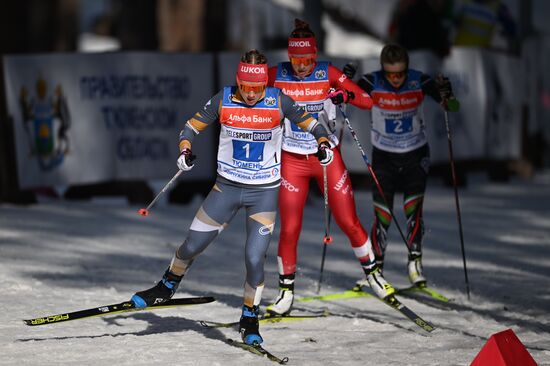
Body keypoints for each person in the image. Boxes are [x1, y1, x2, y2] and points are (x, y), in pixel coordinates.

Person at [130, 49, 333, 346]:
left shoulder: (279, 101)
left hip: (263, 193)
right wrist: (185, 150)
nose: (251, 95)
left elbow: (313, 124)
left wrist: (324, 144)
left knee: (254, 259)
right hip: (225, 189)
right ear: (237, 81)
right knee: (191, 245)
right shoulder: (224, 99)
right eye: (245, 88)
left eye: (257, 88)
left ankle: (250, 315)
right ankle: (166, 286)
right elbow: (190, 127)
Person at [266, 19, 396, 317]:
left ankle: (373, 274)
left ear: (315, 55)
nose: (301, 67)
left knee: (348, 221)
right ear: (289, 57)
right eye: (297, 60)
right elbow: (246, 85)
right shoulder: (277, 74)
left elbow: (367, 100)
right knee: (290, 228)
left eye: (308, 60)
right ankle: (286, 291)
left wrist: (344, 95)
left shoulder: (328, 73)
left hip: (327, 157)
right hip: (292, 160)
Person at [347, 43, 459, 286]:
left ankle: (414, 263)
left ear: (407, 69)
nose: (395, 79)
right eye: (390, 74)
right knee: (383, 215)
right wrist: (344, 82)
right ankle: (376, 270)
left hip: (415, 155)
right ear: (382, 70)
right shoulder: (372, 81)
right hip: (384, 157)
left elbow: (452, 106)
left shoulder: (419, 80)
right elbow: (344, 98)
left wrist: (446, 94)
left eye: (400, 74)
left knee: (413, 210)